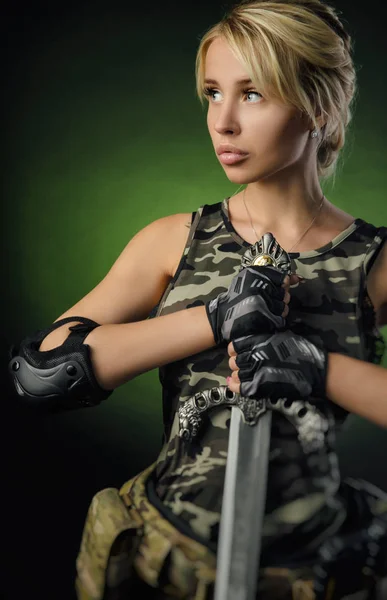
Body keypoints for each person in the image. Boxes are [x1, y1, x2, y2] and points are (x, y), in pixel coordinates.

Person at [7, 0, 387, 598]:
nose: (223, 121)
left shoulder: (374, 261)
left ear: (320, 105)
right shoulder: (172, 241)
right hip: (163, 558)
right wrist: (213, 319)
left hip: (315, 568)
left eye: (253, 93)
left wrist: (319, 369)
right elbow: (44, 373)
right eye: (213, 92)